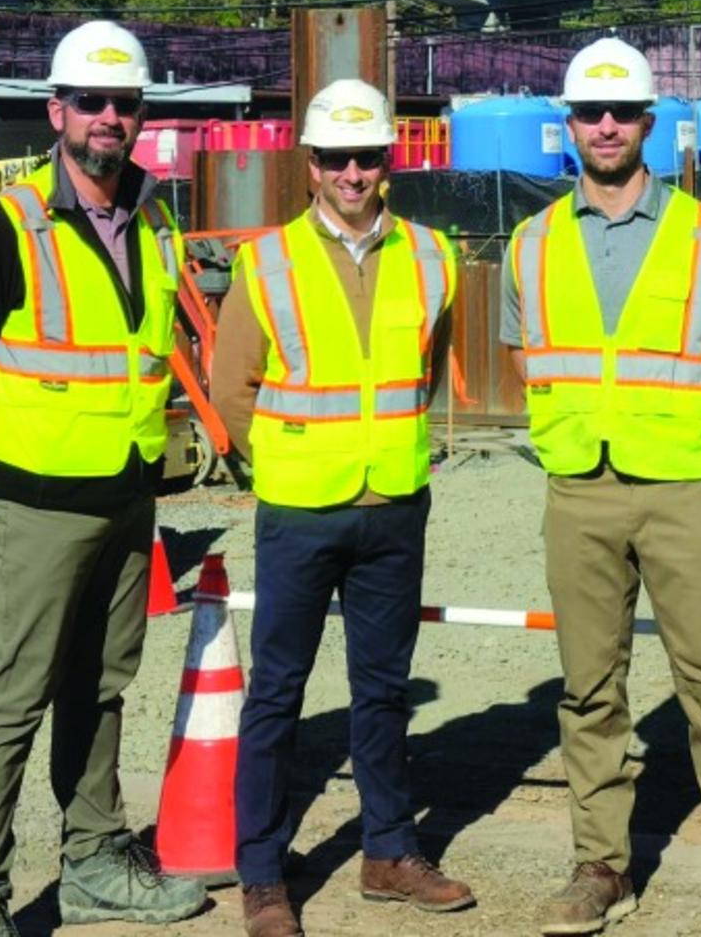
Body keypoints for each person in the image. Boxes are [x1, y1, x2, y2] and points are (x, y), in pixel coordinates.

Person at [0, 19, 209, 937]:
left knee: (102, 684)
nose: (109, 119)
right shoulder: (7, 226)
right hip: (39, 499)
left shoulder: (153, 218)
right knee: (16, 691)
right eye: (92, 102)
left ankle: (93, 860)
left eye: (125, 104)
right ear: (58, 111)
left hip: (126, 494)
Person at [500, 39, 701, 937]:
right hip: (579, 486)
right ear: (570, 125)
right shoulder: (534, 241)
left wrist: (683, 424)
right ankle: (601, 867)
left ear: (649, 124)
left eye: (623, 112)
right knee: (589, 690)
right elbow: (528, 360)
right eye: (592, 112)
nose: (607, 126)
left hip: (681, 488)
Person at [207, 78, 475, 937]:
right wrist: (288, 460)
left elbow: (424, 375)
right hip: (300, 508)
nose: (353, 173)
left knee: (383, 690)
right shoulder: (268, 261)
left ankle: (389, 851)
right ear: (310, 164)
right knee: (278, 694)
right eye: (336, 159)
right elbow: (232, 389)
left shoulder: (431, 257)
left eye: (366, 158)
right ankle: (262, 874)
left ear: (386, 163)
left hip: (394, 501)